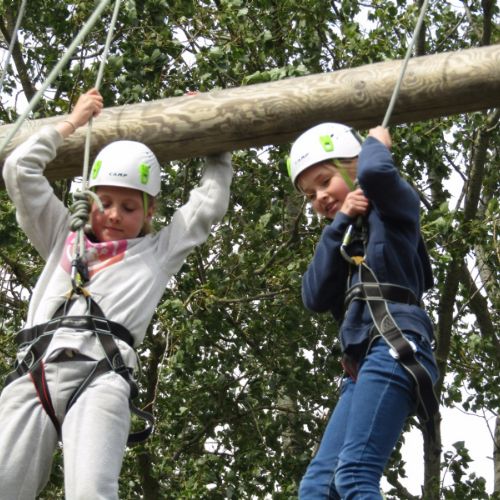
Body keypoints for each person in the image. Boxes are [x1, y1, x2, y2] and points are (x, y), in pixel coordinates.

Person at [0, 88, 233, 499]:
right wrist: (71, 124)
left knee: (91, 491)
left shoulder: (155, 254)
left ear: (149, 212)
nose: (113, 215)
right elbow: (20, 170)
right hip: (34, 372)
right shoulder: (61, 236)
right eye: (104, 202)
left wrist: (213, 135)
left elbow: (206, 205)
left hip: (101, 375)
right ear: (88, 200)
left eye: (129, 207)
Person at [288, 122, 439, 499]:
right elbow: (313, 296)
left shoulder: (393, 208)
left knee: (354, 475)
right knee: (316, 488)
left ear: (352, 166)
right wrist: (339, 223)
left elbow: (374, 173)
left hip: (395, 344)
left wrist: (375, 143)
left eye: (325, 182)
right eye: (311, 195)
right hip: (363, 365)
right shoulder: (342, 237)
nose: (320, 197)